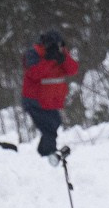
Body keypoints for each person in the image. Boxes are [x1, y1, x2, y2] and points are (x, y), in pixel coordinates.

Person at [20, 30, 80, 158]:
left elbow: (73, 69)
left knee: (55, 123)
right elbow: (33, 73)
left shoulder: (59, 54)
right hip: (34, 100)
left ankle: (45, 153)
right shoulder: (33, 53)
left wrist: (63, 57)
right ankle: (48, 154)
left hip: (50, 100)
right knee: (49, 128)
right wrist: (50, 60)